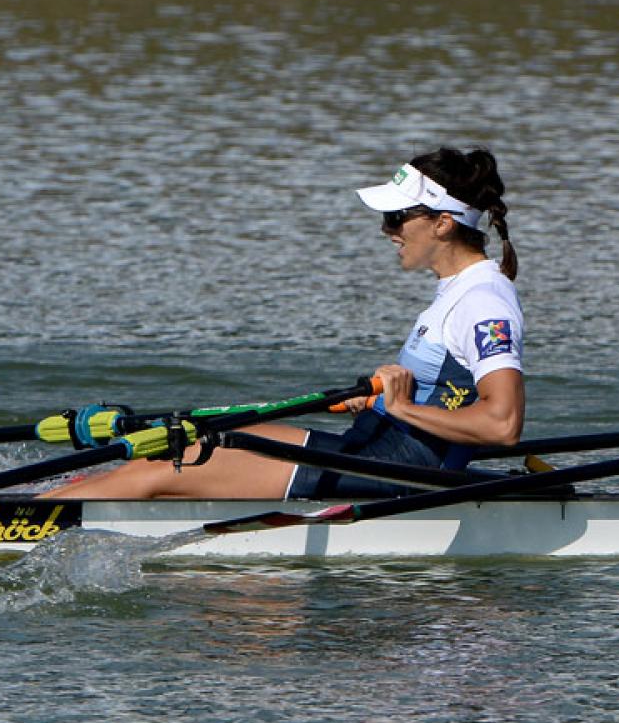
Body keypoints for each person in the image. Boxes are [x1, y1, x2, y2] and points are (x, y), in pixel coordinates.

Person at [44, 147, 525, 499]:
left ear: (442, 223)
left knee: (165, 469)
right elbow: (447, 392)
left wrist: (400, 407)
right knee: (181, 444)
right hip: (371, 450)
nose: (386, 230)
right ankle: (36, 506)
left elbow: (501, 424)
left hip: (398, 473)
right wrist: (382, 402)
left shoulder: (483, 301)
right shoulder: (458, 290)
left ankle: (14, 525)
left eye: (396, 217)